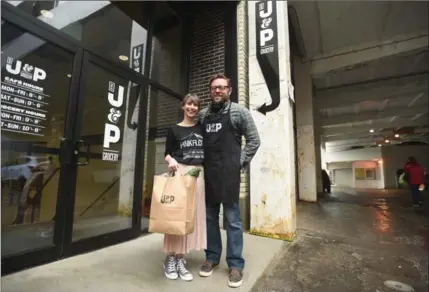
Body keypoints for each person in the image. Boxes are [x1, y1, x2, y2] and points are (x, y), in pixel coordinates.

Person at [198, 74, 261, 288]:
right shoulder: (203, 115)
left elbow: (254, 140)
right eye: (214, 87)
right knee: (209, 219)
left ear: (229, 90)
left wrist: (239, 164)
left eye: (222, 88)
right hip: (208, 176)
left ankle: (235, 265)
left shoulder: (239, 112)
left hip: (229, 176)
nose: (218, 91)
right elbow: (196, 142)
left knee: (233, 221)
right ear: (210, 90)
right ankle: (212, 257)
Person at [162, 93, 206, 281]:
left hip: (198, 175)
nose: (192, 108)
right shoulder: (174, 129)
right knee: (177, 216)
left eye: (195, 105)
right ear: (183, 106)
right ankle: (170, 258)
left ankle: (181, 258)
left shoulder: (202, 128)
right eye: (189, 104)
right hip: (180, 172)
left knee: (190, 217)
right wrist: (171, 160)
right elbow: (167, 153)